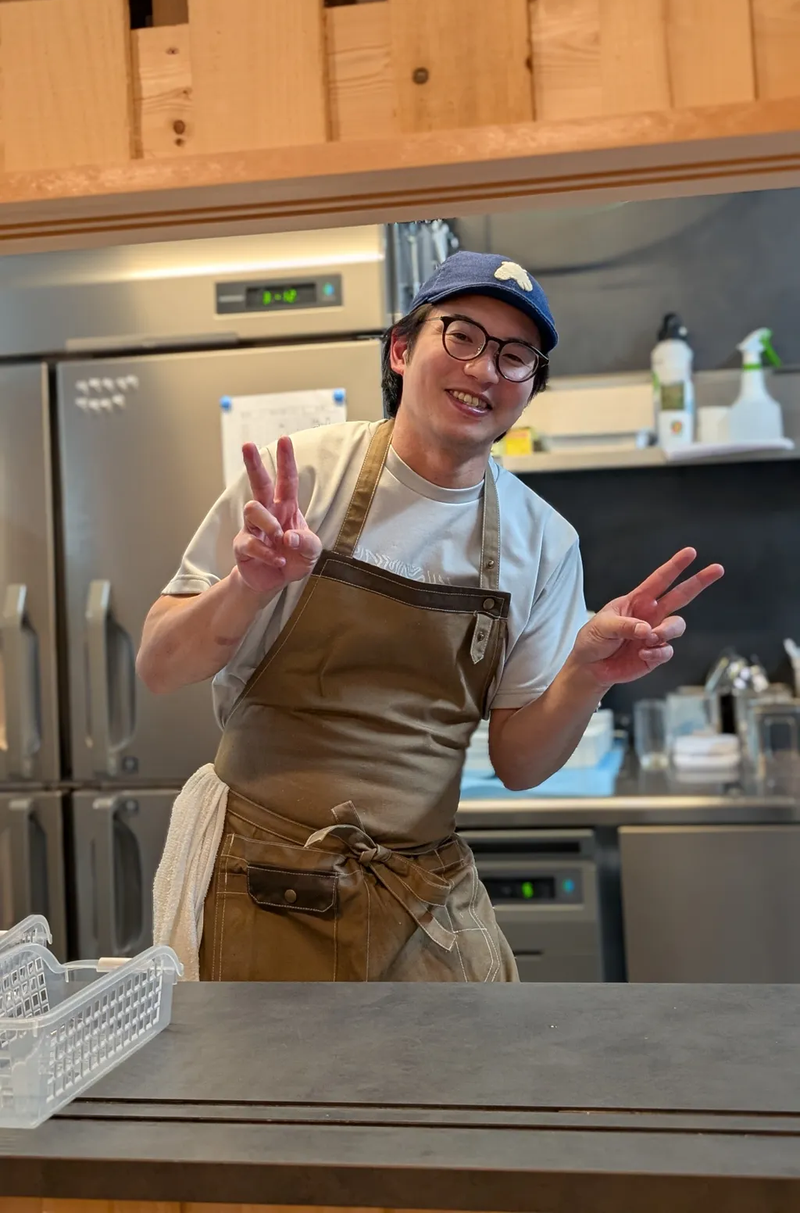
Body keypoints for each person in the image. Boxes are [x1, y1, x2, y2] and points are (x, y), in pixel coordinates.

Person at [139, 250, 723, 982]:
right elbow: (160, 666)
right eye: (462, 336)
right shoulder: (305, 478)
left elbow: (519, 763)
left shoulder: (544, 541)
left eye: (515, 356)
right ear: (401, 348)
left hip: (422, 893)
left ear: (530, 388)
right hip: (260, 881)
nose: (484, 370)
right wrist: (248, 586)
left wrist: (586, 675)